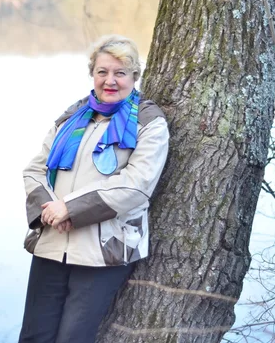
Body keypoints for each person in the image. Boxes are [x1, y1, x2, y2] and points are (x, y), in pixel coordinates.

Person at [19, 34, 170, 343]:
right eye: (103, 72)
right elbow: (35, 170)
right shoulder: (72, 116)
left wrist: (70, 208)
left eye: (120, 73)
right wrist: (53, 211)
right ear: (93, 74)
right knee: (34, 337)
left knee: (74, 338)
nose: (110, 81)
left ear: (134, 76)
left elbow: (136, 186)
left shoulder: (149, 122)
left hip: (104, 252)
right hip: (51, 244)